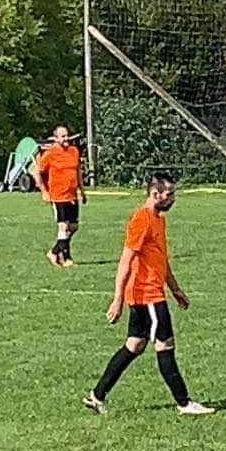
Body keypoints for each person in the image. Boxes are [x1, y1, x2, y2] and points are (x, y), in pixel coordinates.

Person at [83, 173, 215, 417]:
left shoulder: (158, 219)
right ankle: (184, 403)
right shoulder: (141, 220)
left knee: (134, 345)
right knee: (165, 345)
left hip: (154, 291)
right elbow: (125, 260)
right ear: (155, 194)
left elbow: (160, 260)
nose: (173, 199)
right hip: (147, 294)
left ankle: (96, 395)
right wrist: (117, 299)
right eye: (170, 194)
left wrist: (175, 289)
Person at [32, 125, 86, 268]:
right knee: (63, 226)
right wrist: (44, 191)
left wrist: (82, 190)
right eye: (62, 136)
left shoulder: (74, 151)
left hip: (72, 195)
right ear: (56, 139)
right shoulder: (50, 153)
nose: (66, 139)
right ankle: (66, 258)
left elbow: (77, 171)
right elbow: (36, 172)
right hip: (58, 196)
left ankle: (54, 251)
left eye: (67, 135)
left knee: (74, 227)